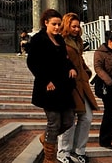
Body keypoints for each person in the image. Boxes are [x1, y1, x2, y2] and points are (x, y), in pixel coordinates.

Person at [27, 9, 78, 163]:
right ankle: (49, 159)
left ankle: (45, 137)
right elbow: (32, 62)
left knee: (69, 120)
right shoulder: (38, 39)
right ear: (46, 23)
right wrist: (46, 81)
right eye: (54, 24)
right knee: (54, 121)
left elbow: (64, 59)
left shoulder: (60, 40)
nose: (57, 27)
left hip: (63, 86)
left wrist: (71, 67)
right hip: (48, 87)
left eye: (59, 24)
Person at [57, 13, 98, 163]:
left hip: (82, 84)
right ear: (67, 26)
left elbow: (79, 59)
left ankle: (79, 150)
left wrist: (86, 72)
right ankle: (63, 152)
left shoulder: (78, 41)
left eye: (78, 26)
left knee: (86, 117)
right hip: (68, 85)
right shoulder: (60, 41)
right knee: (68, 119)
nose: (76, 29)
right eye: (73, 26)